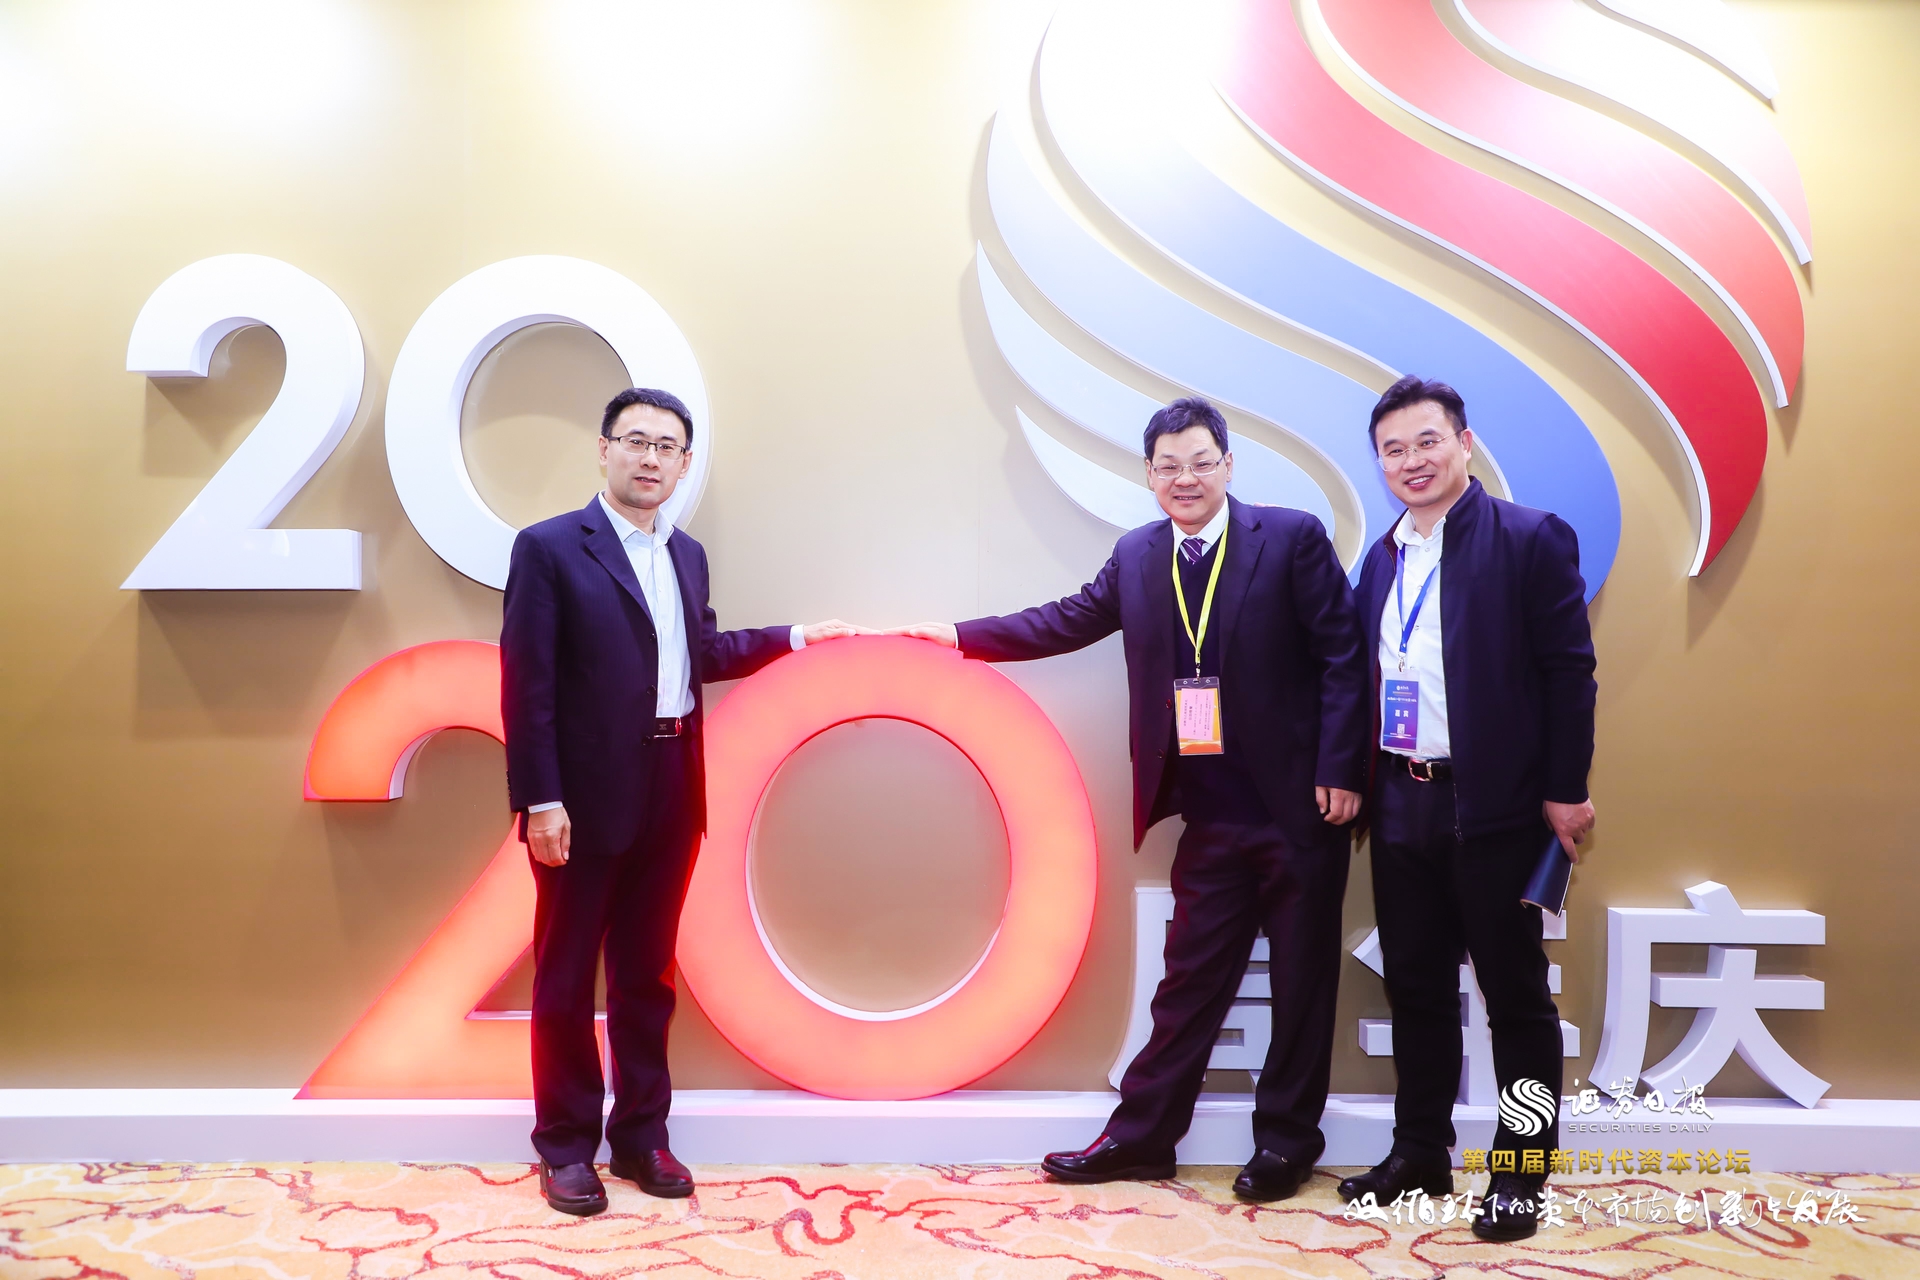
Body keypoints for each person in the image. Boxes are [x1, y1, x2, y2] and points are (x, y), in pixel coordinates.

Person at [892, 396, 1369, 1201]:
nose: (1186, 478)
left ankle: (1286, 1145)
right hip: (1210, 815)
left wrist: (1343, 769)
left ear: (1227, 466)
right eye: (1169, 465)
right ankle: (1143, 1138)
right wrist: (962, 638)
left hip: (1299, 811)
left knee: (1302, 988)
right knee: (1186, 987)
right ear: (1149, 475)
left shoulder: (1290, 538)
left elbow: (1343, 656)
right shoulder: (1139, 554)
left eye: (1201, 462)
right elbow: (1067, 620)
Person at [501, 387, 865, 1216]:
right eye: (636, 441)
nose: (650, 458)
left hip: (672, 784)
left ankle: (640, 1138)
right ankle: (566, 1147)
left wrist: (795, 639)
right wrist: (541, 799)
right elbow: (528, 687)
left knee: (648, 976)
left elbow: (701, 651)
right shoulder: (550, 548)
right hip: (581, 798)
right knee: (565, 977)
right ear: (604, 449)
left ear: (684, 463)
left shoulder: (686, 553)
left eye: (667, 447)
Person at [1336, 376, 1597, 1242]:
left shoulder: (1529, 538)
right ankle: (1420, 1151)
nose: (1412, 461)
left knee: (1515, 998)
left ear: (1465, 443)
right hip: (1400, 799)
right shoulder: (1382, 558)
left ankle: (1521, 1174)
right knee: (1414, 988)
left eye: (1427, 441)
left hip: (1496, 807)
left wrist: (1566, 787)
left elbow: (1569, 673)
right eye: (1393, 449)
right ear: (1379, 463)